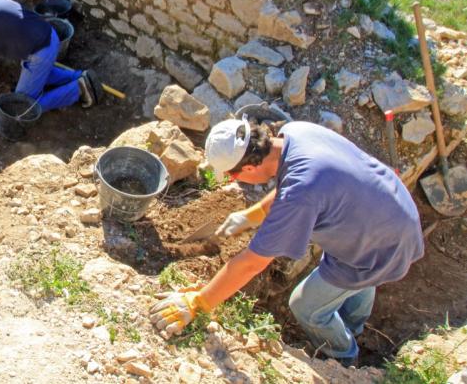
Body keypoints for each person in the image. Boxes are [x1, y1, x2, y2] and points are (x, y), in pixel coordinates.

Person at [149, 119, 424, 366]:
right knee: (358, 280)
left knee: (305, 305)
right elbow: (298, 178)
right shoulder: (296, 133)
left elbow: (252, 263)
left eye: (233, 176)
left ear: (247, 166)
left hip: (382, 245)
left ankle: (344, 357)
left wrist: (198, 303)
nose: (235, 181)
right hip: (390, 211)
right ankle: (351, 326)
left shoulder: (299, 195)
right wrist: (253, 214)